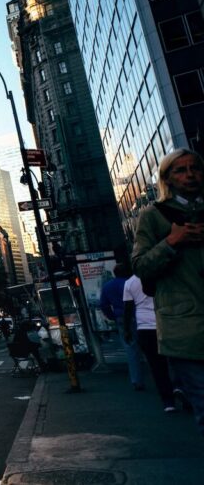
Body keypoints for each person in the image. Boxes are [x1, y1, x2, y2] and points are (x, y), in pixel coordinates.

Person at [132, 148, 204, 434]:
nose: (189, 175)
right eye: (180, 170)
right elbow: (140, 266)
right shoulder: (153, 215)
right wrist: (172, 241)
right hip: (184, 327)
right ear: (167, 179)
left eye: (194, 168)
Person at [123, 274, 176, 411]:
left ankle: (168, 400)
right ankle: (180, 387)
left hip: (145, 326)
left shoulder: (129, 283)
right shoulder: (160, 276)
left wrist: (127, 329)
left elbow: (128, 308)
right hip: (166, 322)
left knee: (157, 366)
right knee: (177, 360)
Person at [100, 262, 145, 390]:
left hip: (121, 317)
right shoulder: (133, 283)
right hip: (139, 315)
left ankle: (137, 380)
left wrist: (112, 316)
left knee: (131, 349)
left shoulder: (108, 286)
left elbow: (103, 304)